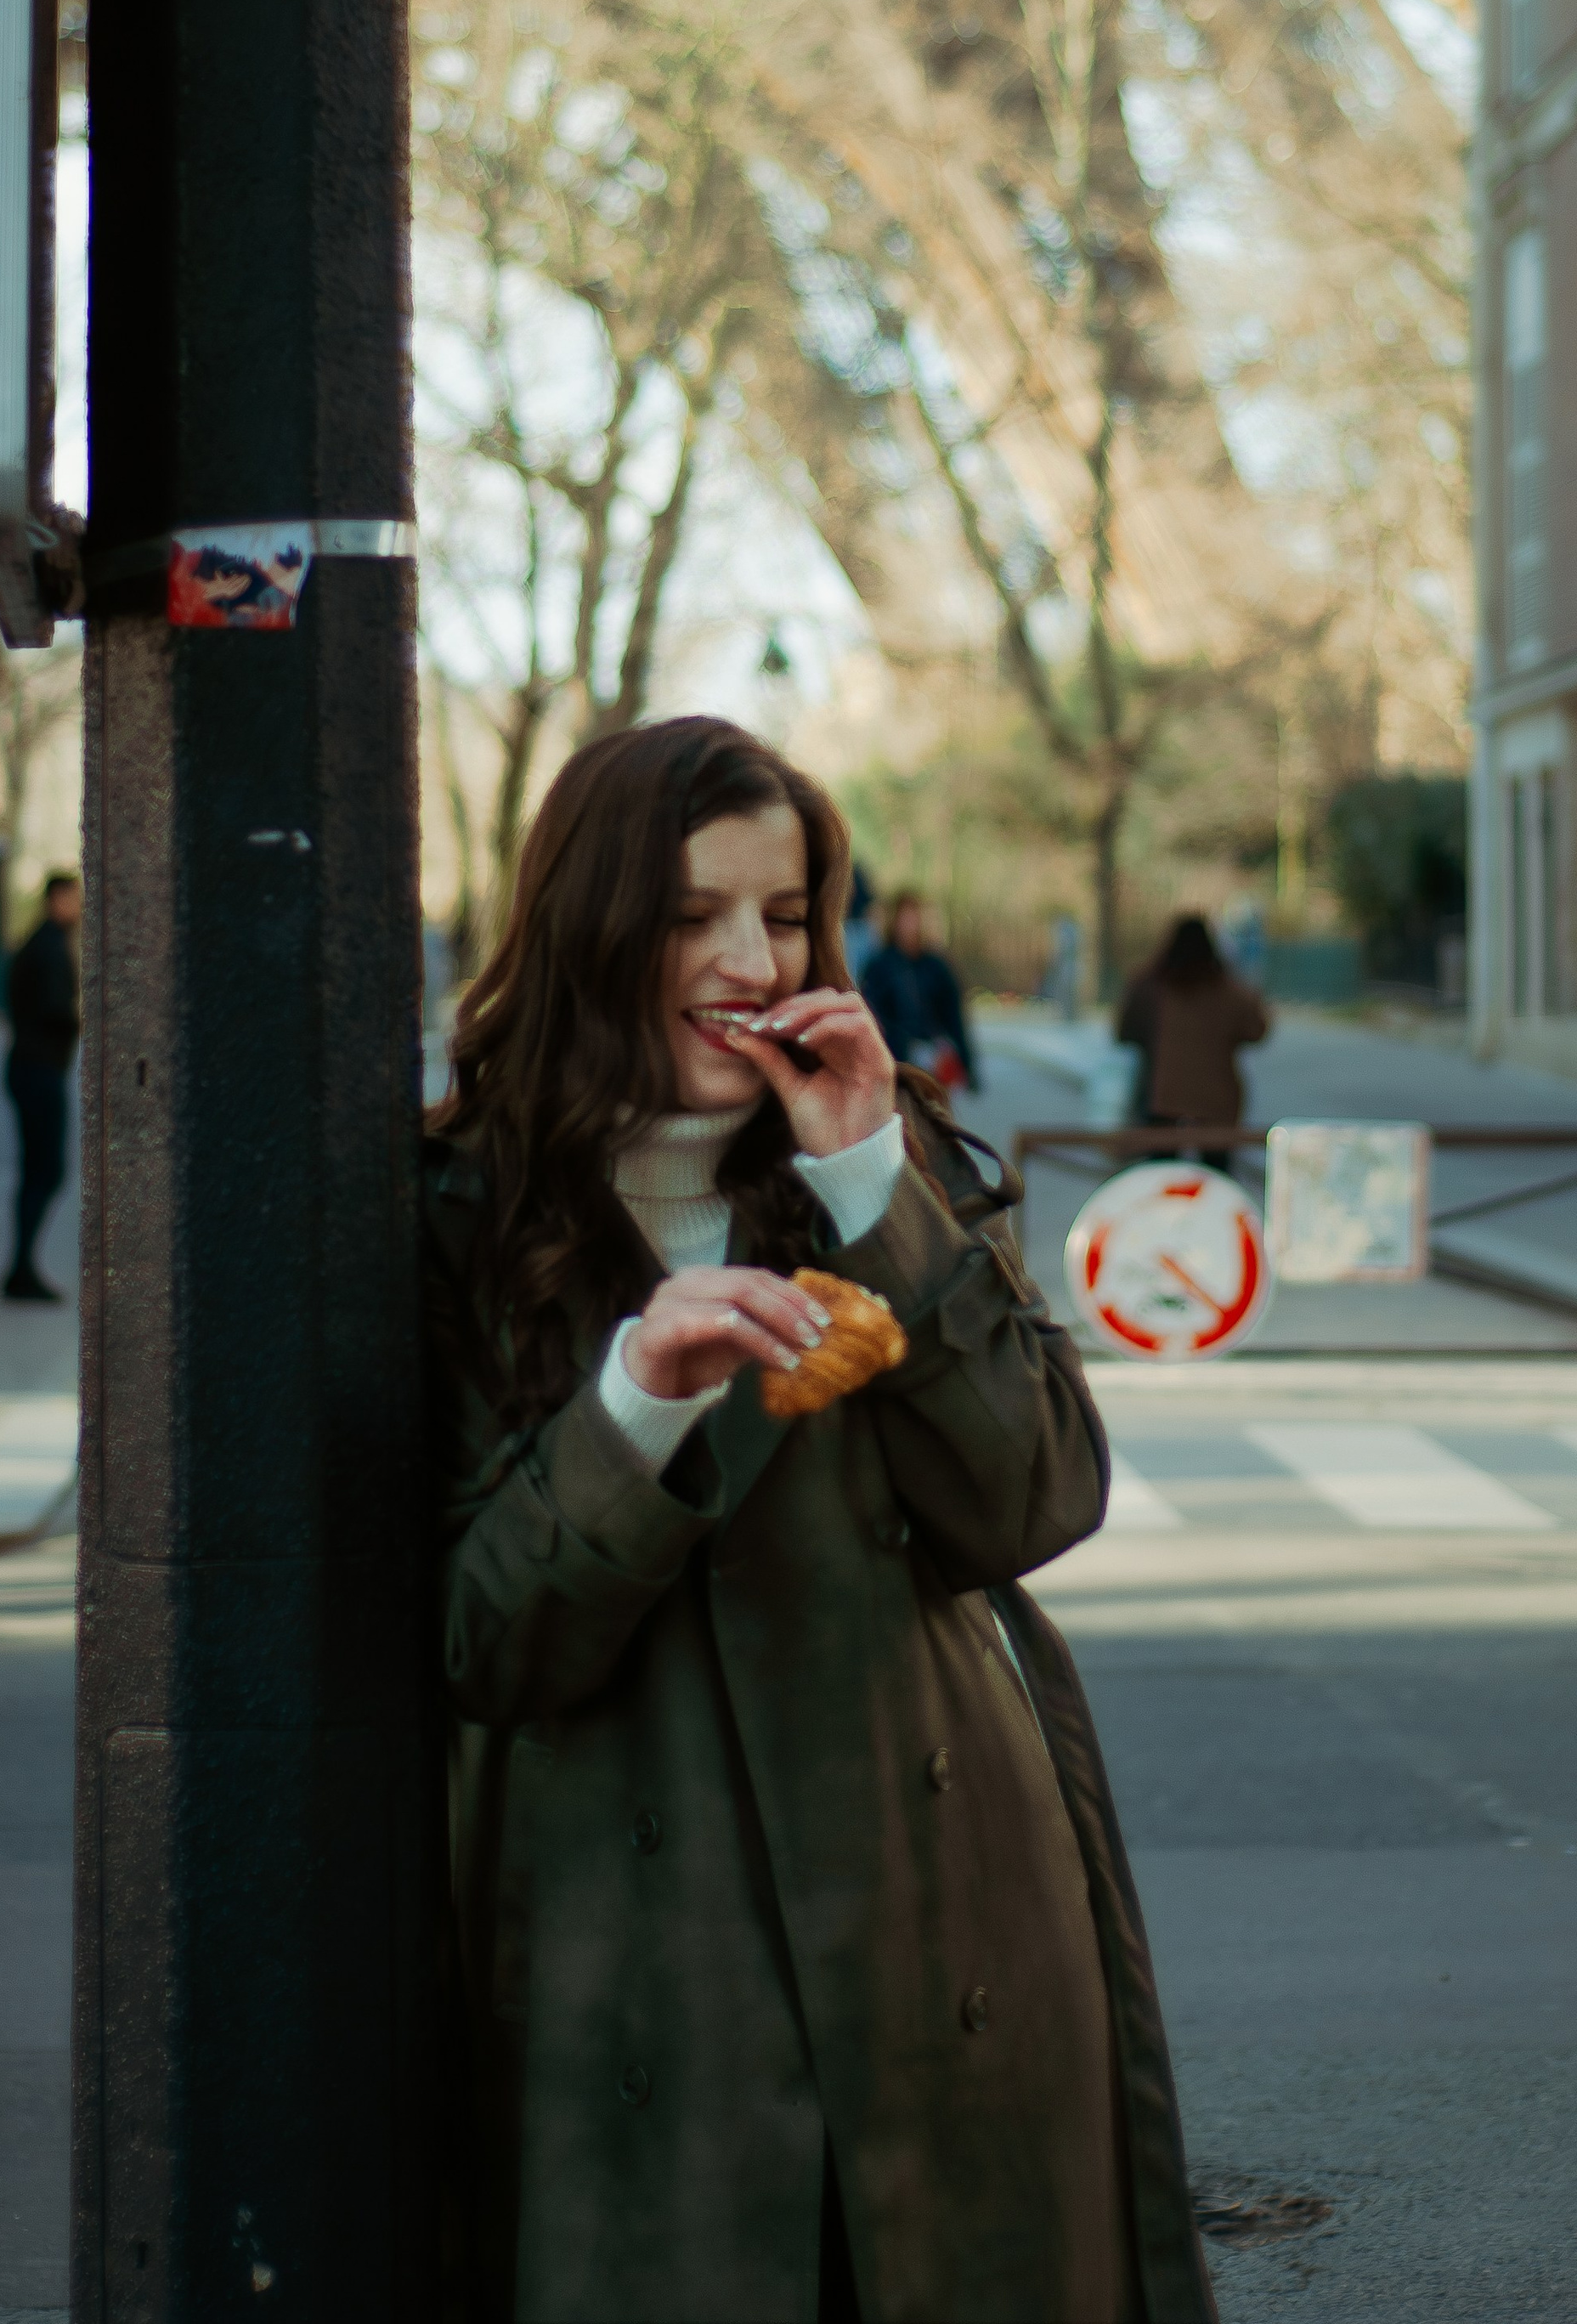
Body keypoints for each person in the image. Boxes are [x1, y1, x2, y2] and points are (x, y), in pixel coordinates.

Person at [424, 717, 1215, 2324]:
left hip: (947, 1930)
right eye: (689, 916)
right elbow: (481, 1640)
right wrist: (636, 1401)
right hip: (645, 1970)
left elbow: (1040, 1494)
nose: (745, 960)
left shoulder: (878, 1156)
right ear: (592, 932)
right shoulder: (462, 1212)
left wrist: (873, 1184)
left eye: (780, 916)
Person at [1117, 914, 1272, 1149]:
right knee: (1215, 1175)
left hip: (1161, 1097)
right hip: (1217, 1099)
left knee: (1161, 1172)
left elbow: (1124, 1031)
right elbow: (1256, 1030)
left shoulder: (1150, 986)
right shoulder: (1228, 992)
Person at [2, 871, 81, 1304]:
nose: (78, 907)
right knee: (44, 1171)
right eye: (72, 898)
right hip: (38, 1069)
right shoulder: (49, 947)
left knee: (40, 1171)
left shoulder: (42, 942)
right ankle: (21, 1269)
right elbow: (55, 1011)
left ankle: (21, 1267)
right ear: (56, 899)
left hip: (32, 1067)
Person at [857, 888, 978, 1092]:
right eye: (904, 918)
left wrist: (967, 1063)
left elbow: (954, 1016)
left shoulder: (938, 967)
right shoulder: (879, 966)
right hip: (895, 1062)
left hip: (934, 1059)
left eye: (914, 917)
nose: (909, 925)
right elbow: (871, 1014)